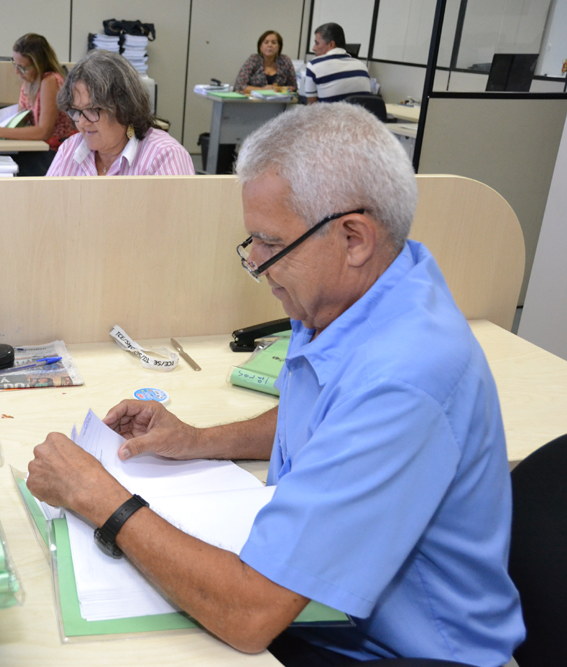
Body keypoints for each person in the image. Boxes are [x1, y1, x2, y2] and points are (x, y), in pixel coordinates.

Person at [27, 103, 524, 666]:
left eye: (269, 243)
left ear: (354, 238)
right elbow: (328, 416)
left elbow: (250, 615)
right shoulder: (363, 294)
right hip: (327, 621)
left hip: (406, 654)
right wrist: (198, 440)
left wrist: (102, 500)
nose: (257, 265)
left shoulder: (405, 375)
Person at [46, 50, 194, 177]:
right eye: (76, 111)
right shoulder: (70, 149)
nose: (83, 123)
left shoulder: (164, 156)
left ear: (124, 107)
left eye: (92, 110)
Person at [0, 34, 76, 177]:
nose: (17, 72)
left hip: (55, 154)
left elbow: (44, 132)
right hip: (38, 149)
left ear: (38, 65)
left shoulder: (50, 81)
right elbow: (19, 123)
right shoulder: (28, 83)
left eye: (22, 68)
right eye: (16, 65)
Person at [303, 22, 371, 104]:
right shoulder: (362, 67)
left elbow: (312, 107)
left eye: (317, 43)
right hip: (358, 116)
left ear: (331, 44)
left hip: (330, 116)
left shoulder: (314, 66)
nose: (313, 48)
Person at [233, 30, 297, 94]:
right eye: (266, 42)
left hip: (279, 102)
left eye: (274, 42)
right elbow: (239, 86)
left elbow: (293, 87)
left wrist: (280, 89)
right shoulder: (253, 60)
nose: (270, 45)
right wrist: (262, 89)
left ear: (279, 47)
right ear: (260, 46)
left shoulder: (285, 61)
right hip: (254, 102)